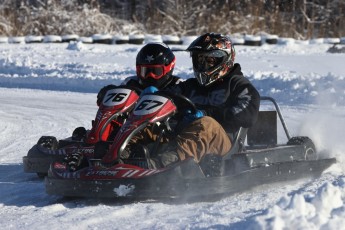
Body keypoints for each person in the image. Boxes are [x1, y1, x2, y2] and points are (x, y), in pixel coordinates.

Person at [117, 33, 260, 176]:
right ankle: (121, 156)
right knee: (149, 119)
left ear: (224, 60)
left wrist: (207, 113)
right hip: (184, 137)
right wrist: (150, 97)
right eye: (199, 60)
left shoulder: (238, 84)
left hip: (223, 143)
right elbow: (166, 97)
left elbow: (247, 113)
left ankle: (161, 165)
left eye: (209, 60)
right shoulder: (189, 86)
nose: (203, 65)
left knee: (206, 123)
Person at [66, 42, 180, 171]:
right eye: (145, 71)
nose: (150, 76)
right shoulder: (130, 83)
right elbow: (116, 101)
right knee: (114, 115)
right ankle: (93, 146)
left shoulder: (178, 86)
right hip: (125, 129)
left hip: (157, 130)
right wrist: (107, 92)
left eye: (155, 71)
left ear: (168, 68)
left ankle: (115, 157)